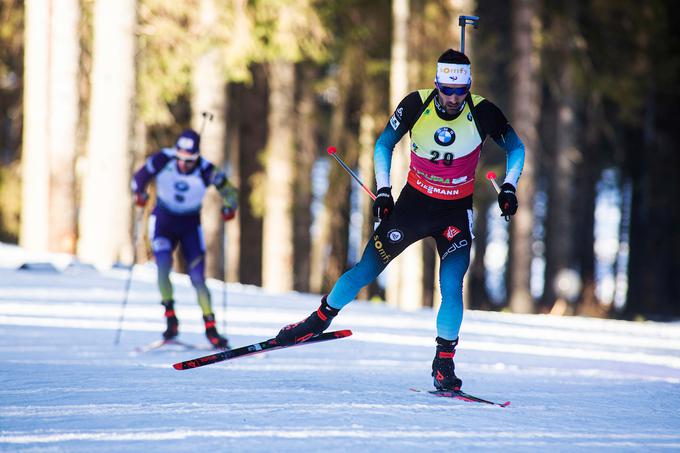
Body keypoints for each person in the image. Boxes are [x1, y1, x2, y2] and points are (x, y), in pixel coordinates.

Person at [276, 49, 525, 391]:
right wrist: (383, 190)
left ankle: (444, 364)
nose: (453, 98)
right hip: (413, 206)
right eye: (446, 90)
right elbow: (384, 143)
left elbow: (517, 148)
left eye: (460, 91)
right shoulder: (416, 104)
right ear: (437, 85)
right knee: (365, 269)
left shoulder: (483, 111)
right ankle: (316, 322)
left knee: (452, 287)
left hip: (455, 211)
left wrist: (509, 187)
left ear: (468, 88)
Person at [132, 129, 238, 349]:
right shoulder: (163, 159)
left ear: (196, 156)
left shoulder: (206, 169)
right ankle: (171, 319)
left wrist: (230, 207)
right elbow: (139, 178)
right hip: (163, 220)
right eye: (180, 158)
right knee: (162, 266)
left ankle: (211, 329)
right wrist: (140, 194)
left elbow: (230, 191)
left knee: (198, 277)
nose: (183, 164)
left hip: (190, 224)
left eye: (189, 160)